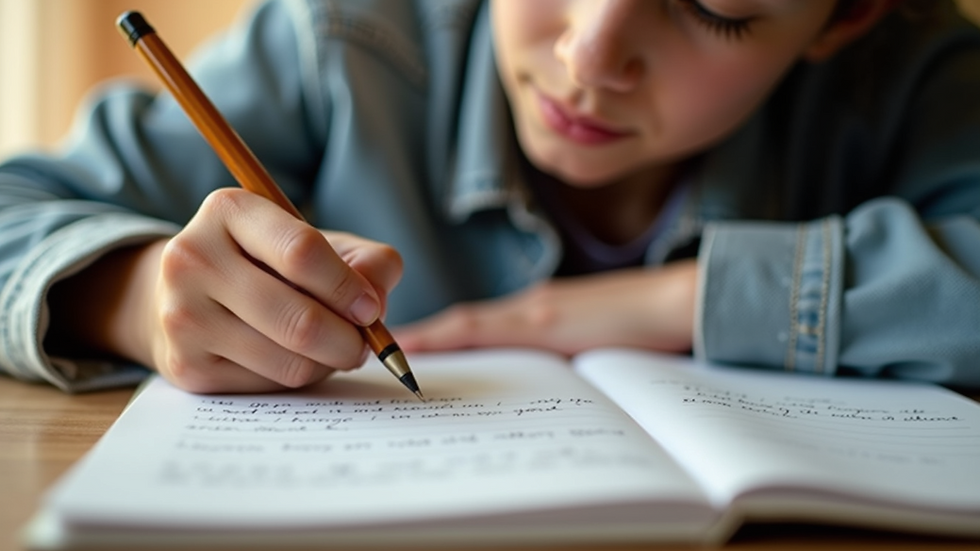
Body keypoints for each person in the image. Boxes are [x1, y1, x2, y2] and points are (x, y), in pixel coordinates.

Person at [0, 0, 978, 394]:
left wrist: (667, 304)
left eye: (714, 6)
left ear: (843, 19)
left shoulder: (911, 75)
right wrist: (129, 295)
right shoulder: (348, 36)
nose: (588, 55)